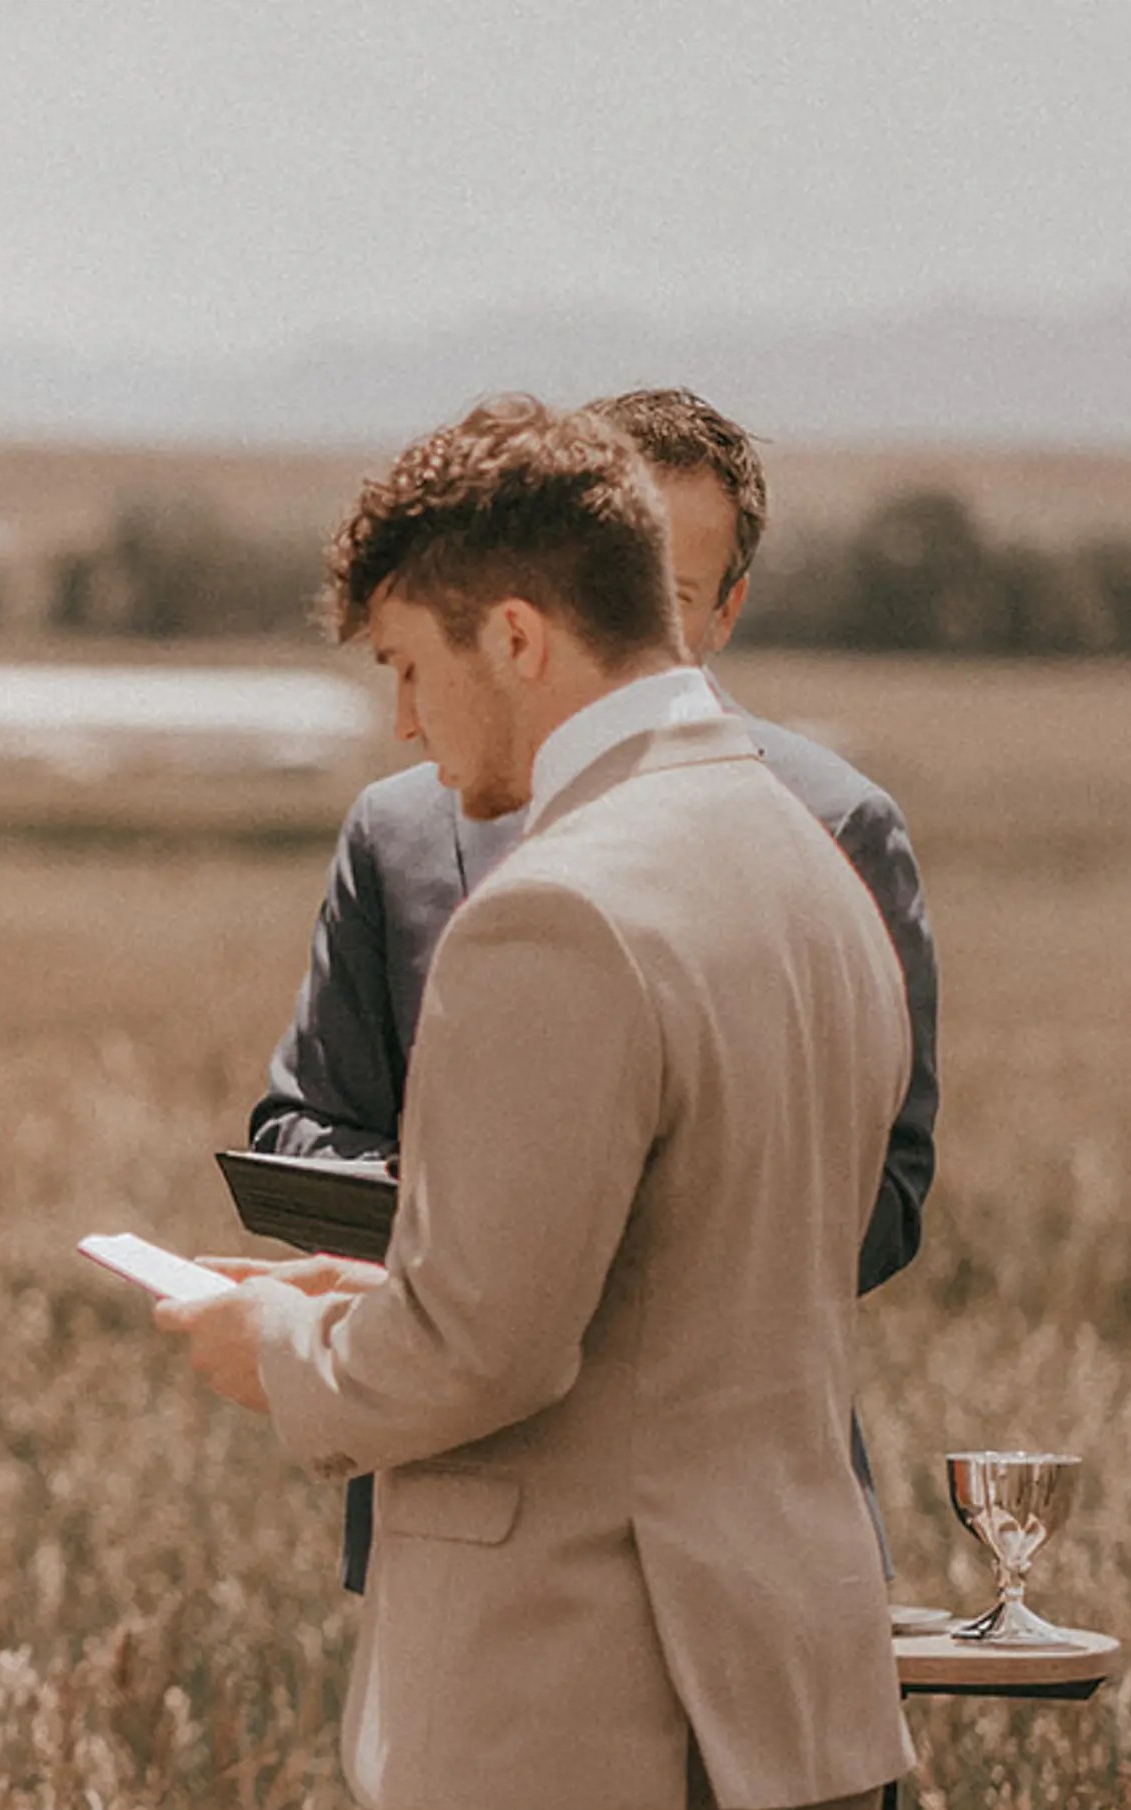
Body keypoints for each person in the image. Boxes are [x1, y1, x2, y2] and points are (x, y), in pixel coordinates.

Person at [163, 399, 913, 1810]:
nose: (400, 721)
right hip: (782, 1657)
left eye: (401, 664)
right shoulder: (798, 854)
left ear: (509, 635)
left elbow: (477, 1343)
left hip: (573, 1690)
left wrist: (259, 1340)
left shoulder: (546, 913)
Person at [251, 386, 937, 1589]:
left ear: (716, 615)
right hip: (449, 1505)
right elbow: (303, 1119)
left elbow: (879, 1192)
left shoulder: (830, 826)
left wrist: (535, 1224)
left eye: (664, 594)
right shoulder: (396, 830)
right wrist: (447, 1202)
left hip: (682, 1529)